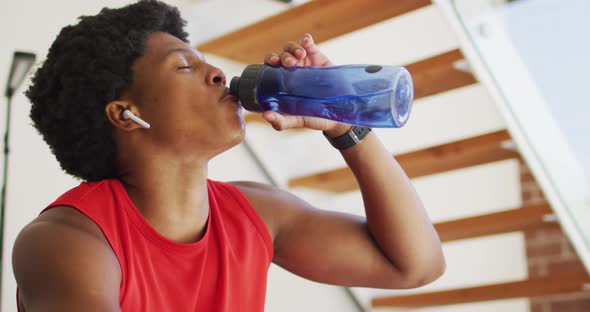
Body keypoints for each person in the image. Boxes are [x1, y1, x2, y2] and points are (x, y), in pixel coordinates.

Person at [12, 1, 445, 311]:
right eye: (184, 66)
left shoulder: (256, 213)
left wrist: (343, 124)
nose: (217, 73)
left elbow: (414, 266)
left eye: (204, 62)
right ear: (126, 114)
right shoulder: (65, 242)